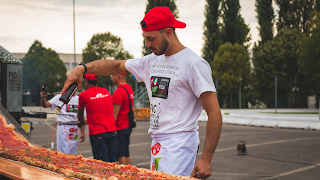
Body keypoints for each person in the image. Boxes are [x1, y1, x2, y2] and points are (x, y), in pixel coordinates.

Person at [63, 6, 222, 179]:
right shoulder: (152, 61)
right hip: (158, 142)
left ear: (168, 32)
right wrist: (82, 68)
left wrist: (206, 159)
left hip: (180, 145)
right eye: (145, 38)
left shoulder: (194, 64)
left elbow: (214, 113)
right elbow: (116, 65)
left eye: (151, 38)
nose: (147, 44)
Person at [77, 74, 119, 163]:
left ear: (86, 82)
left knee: (101, 162)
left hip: (98, 132)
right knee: (114, 160)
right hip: (112, 129)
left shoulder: (83, 95)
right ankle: (116, 176)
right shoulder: (106, 91)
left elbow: (79, 115)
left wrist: (81, 122)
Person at [41, 89, 84, 154]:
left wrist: (82, 132)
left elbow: (81, 118)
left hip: (74, 129)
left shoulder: (79, 99)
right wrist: (43, 98)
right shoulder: (59, 97)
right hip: (63, 128)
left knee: (73, 150)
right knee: (62, 151)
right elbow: (46, 105)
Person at [111, 73, 134, 165]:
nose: (112, 78)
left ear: (118, 76)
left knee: (120, 153)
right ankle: (130, 173)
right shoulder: (129, 88)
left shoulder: (119, 91)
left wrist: (111, 128)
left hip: (120, 126)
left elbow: (115, 112)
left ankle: (123, 174)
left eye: (112, 76)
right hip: (128, 125)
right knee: (126, 152)